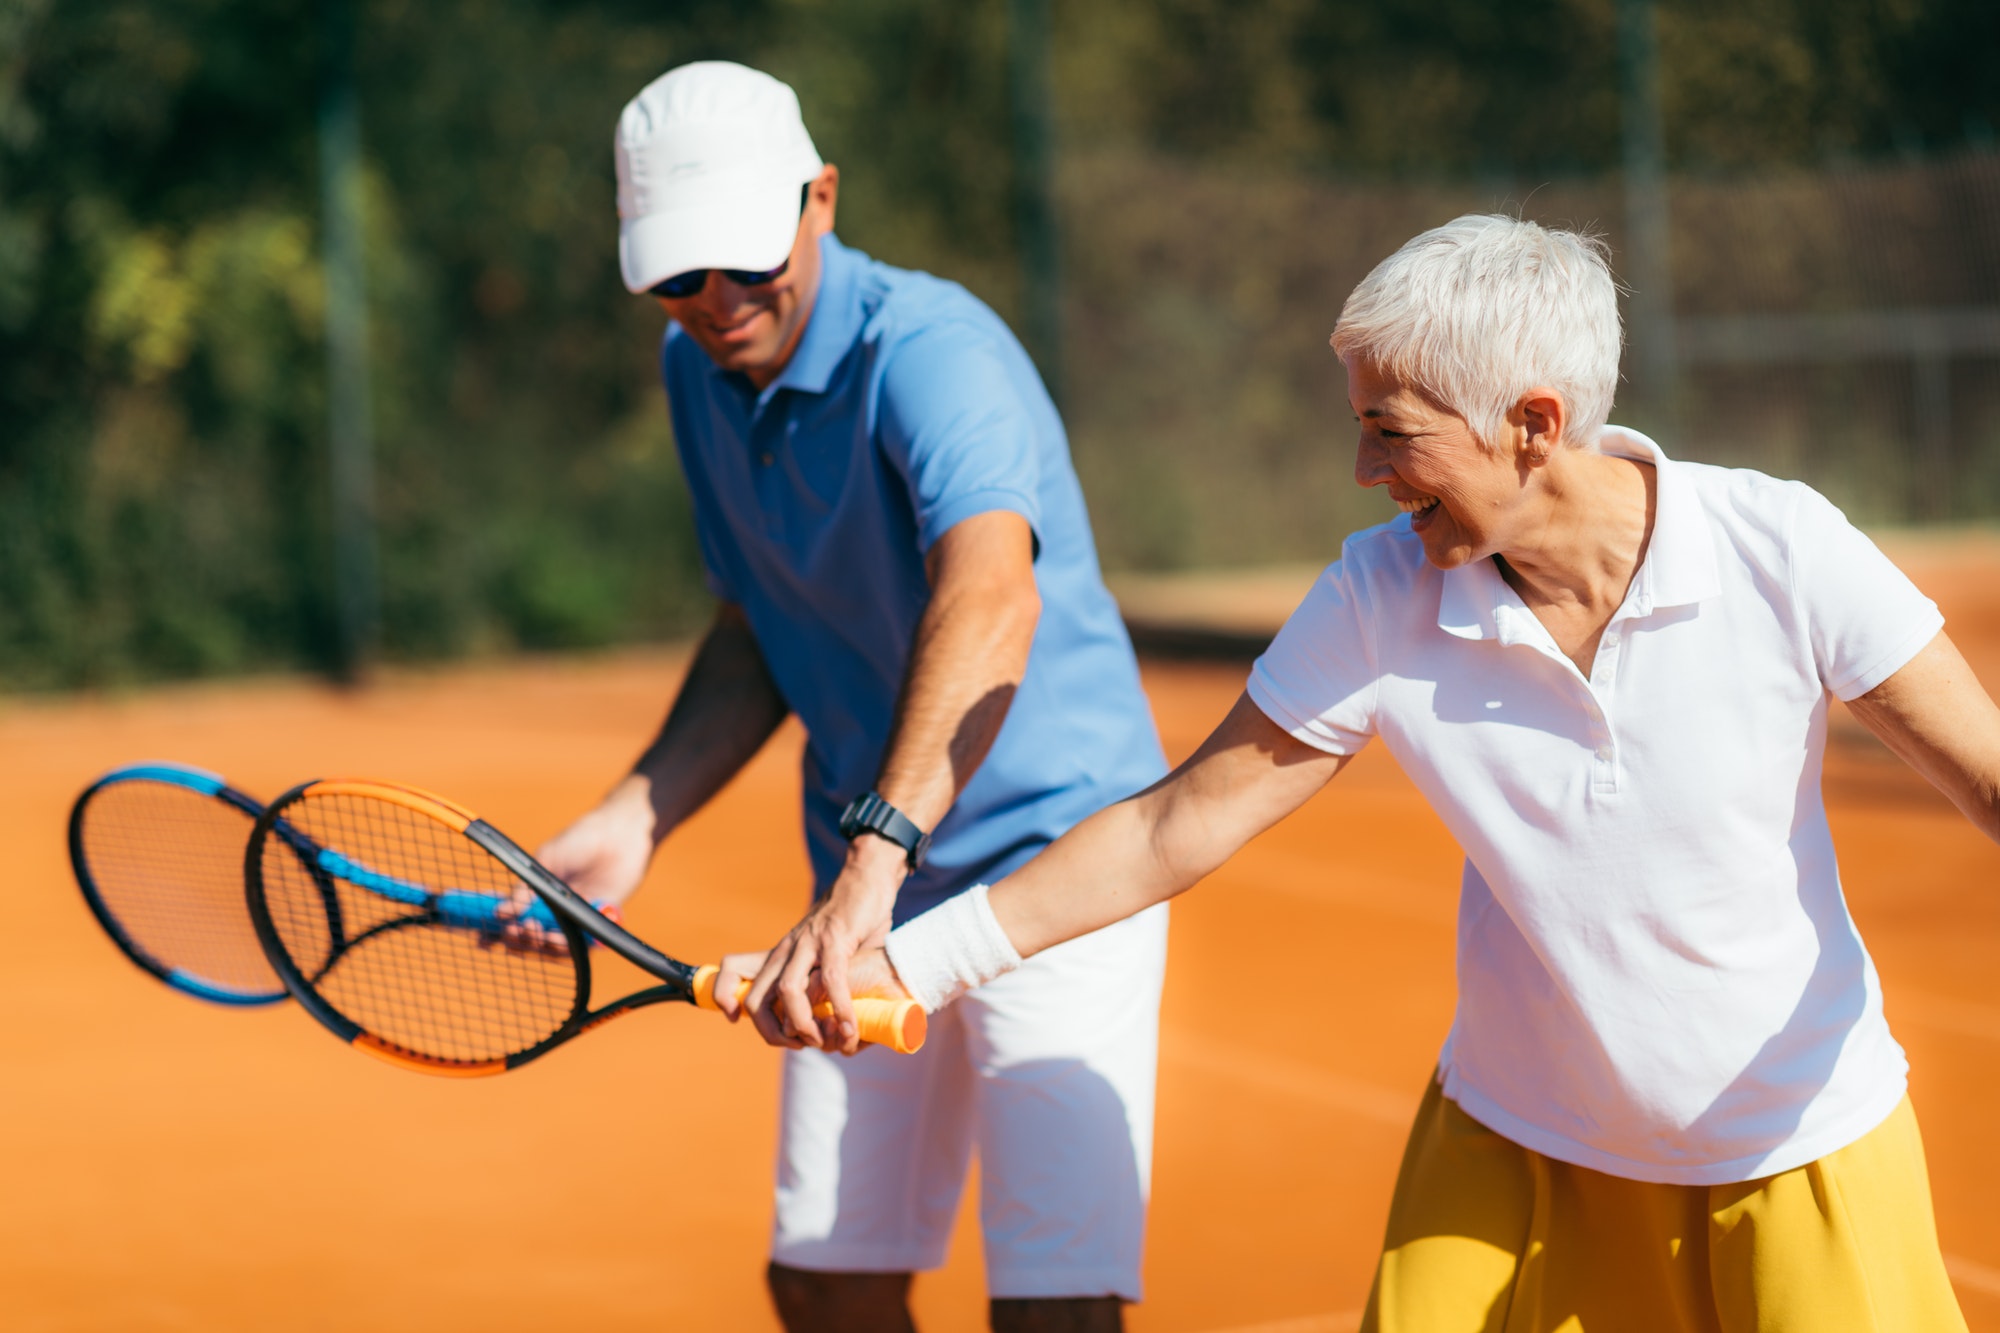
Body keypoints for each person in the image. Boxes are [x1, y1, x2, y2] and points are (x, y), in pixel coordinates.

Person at [854, 214, 1993, 1330]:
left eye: (1390, 432)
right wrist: (911, 963)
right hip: (1515, 1149)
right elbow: (1170, 827)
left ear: (1532, 423)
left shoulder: (1780, 549)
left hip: (1792, 1144)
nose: (1362, 469)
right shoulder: (1375, 596)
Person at [536, 61, 1169, 1333]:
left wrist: (871, 861)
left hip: (1056, 869)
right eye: (675, 274)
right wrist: (634, 816)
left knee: (1052, 1311)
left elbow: (991, 596)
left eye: (737, 259)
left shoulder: (933, 354)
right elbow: (756, 624)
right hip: (870, 884)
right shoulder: (698, 375)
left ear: (820, 197)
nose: (712, 302)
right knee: (824, 1283)